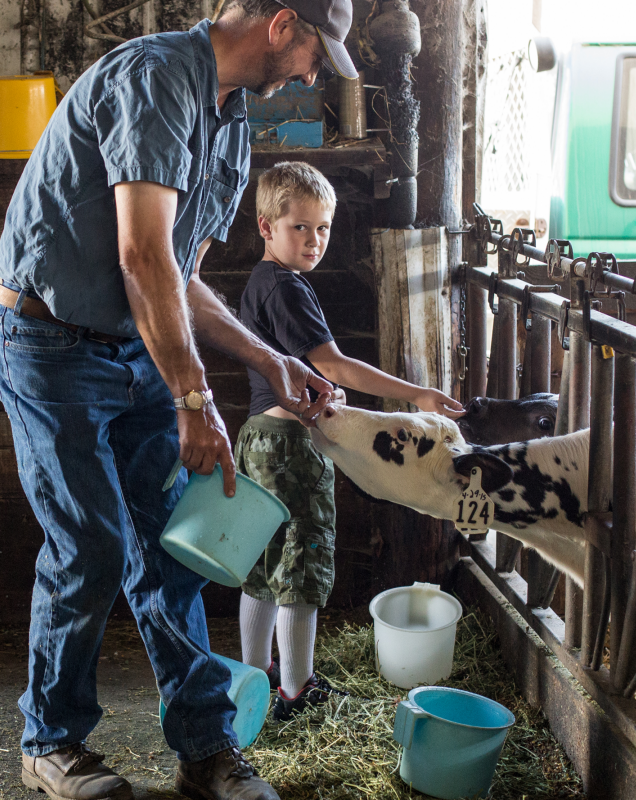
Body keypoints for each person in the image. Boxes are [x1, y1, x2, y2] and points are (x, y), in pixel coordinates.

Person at [0, 2, 361, 799]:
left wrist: (269, 358)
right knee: (92, 547)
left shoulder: (232, 120)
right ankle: (50, 742)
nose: (313, 74)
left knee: (177, 546)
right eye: (318, 52)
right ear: (283, 24)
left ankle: (206, 749)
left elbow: (179, 279)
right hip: (48, 342)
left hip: (131, 341)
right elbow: (141, 254)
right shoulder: (156, 78)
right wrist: (193, 395)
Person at [232, 162, 463, 721]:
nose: (315, 241)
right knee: (302, 564)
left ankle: (257, 678)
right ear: (266, 227)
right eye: (300, 228)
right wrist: (417, 394)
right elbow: (333, 364)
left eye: (324, 228)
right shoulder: (287, 289)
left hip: (257, 439)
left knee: (263, 564)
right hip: (289, 447)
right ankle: (297, 690)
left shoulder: (261, 284)